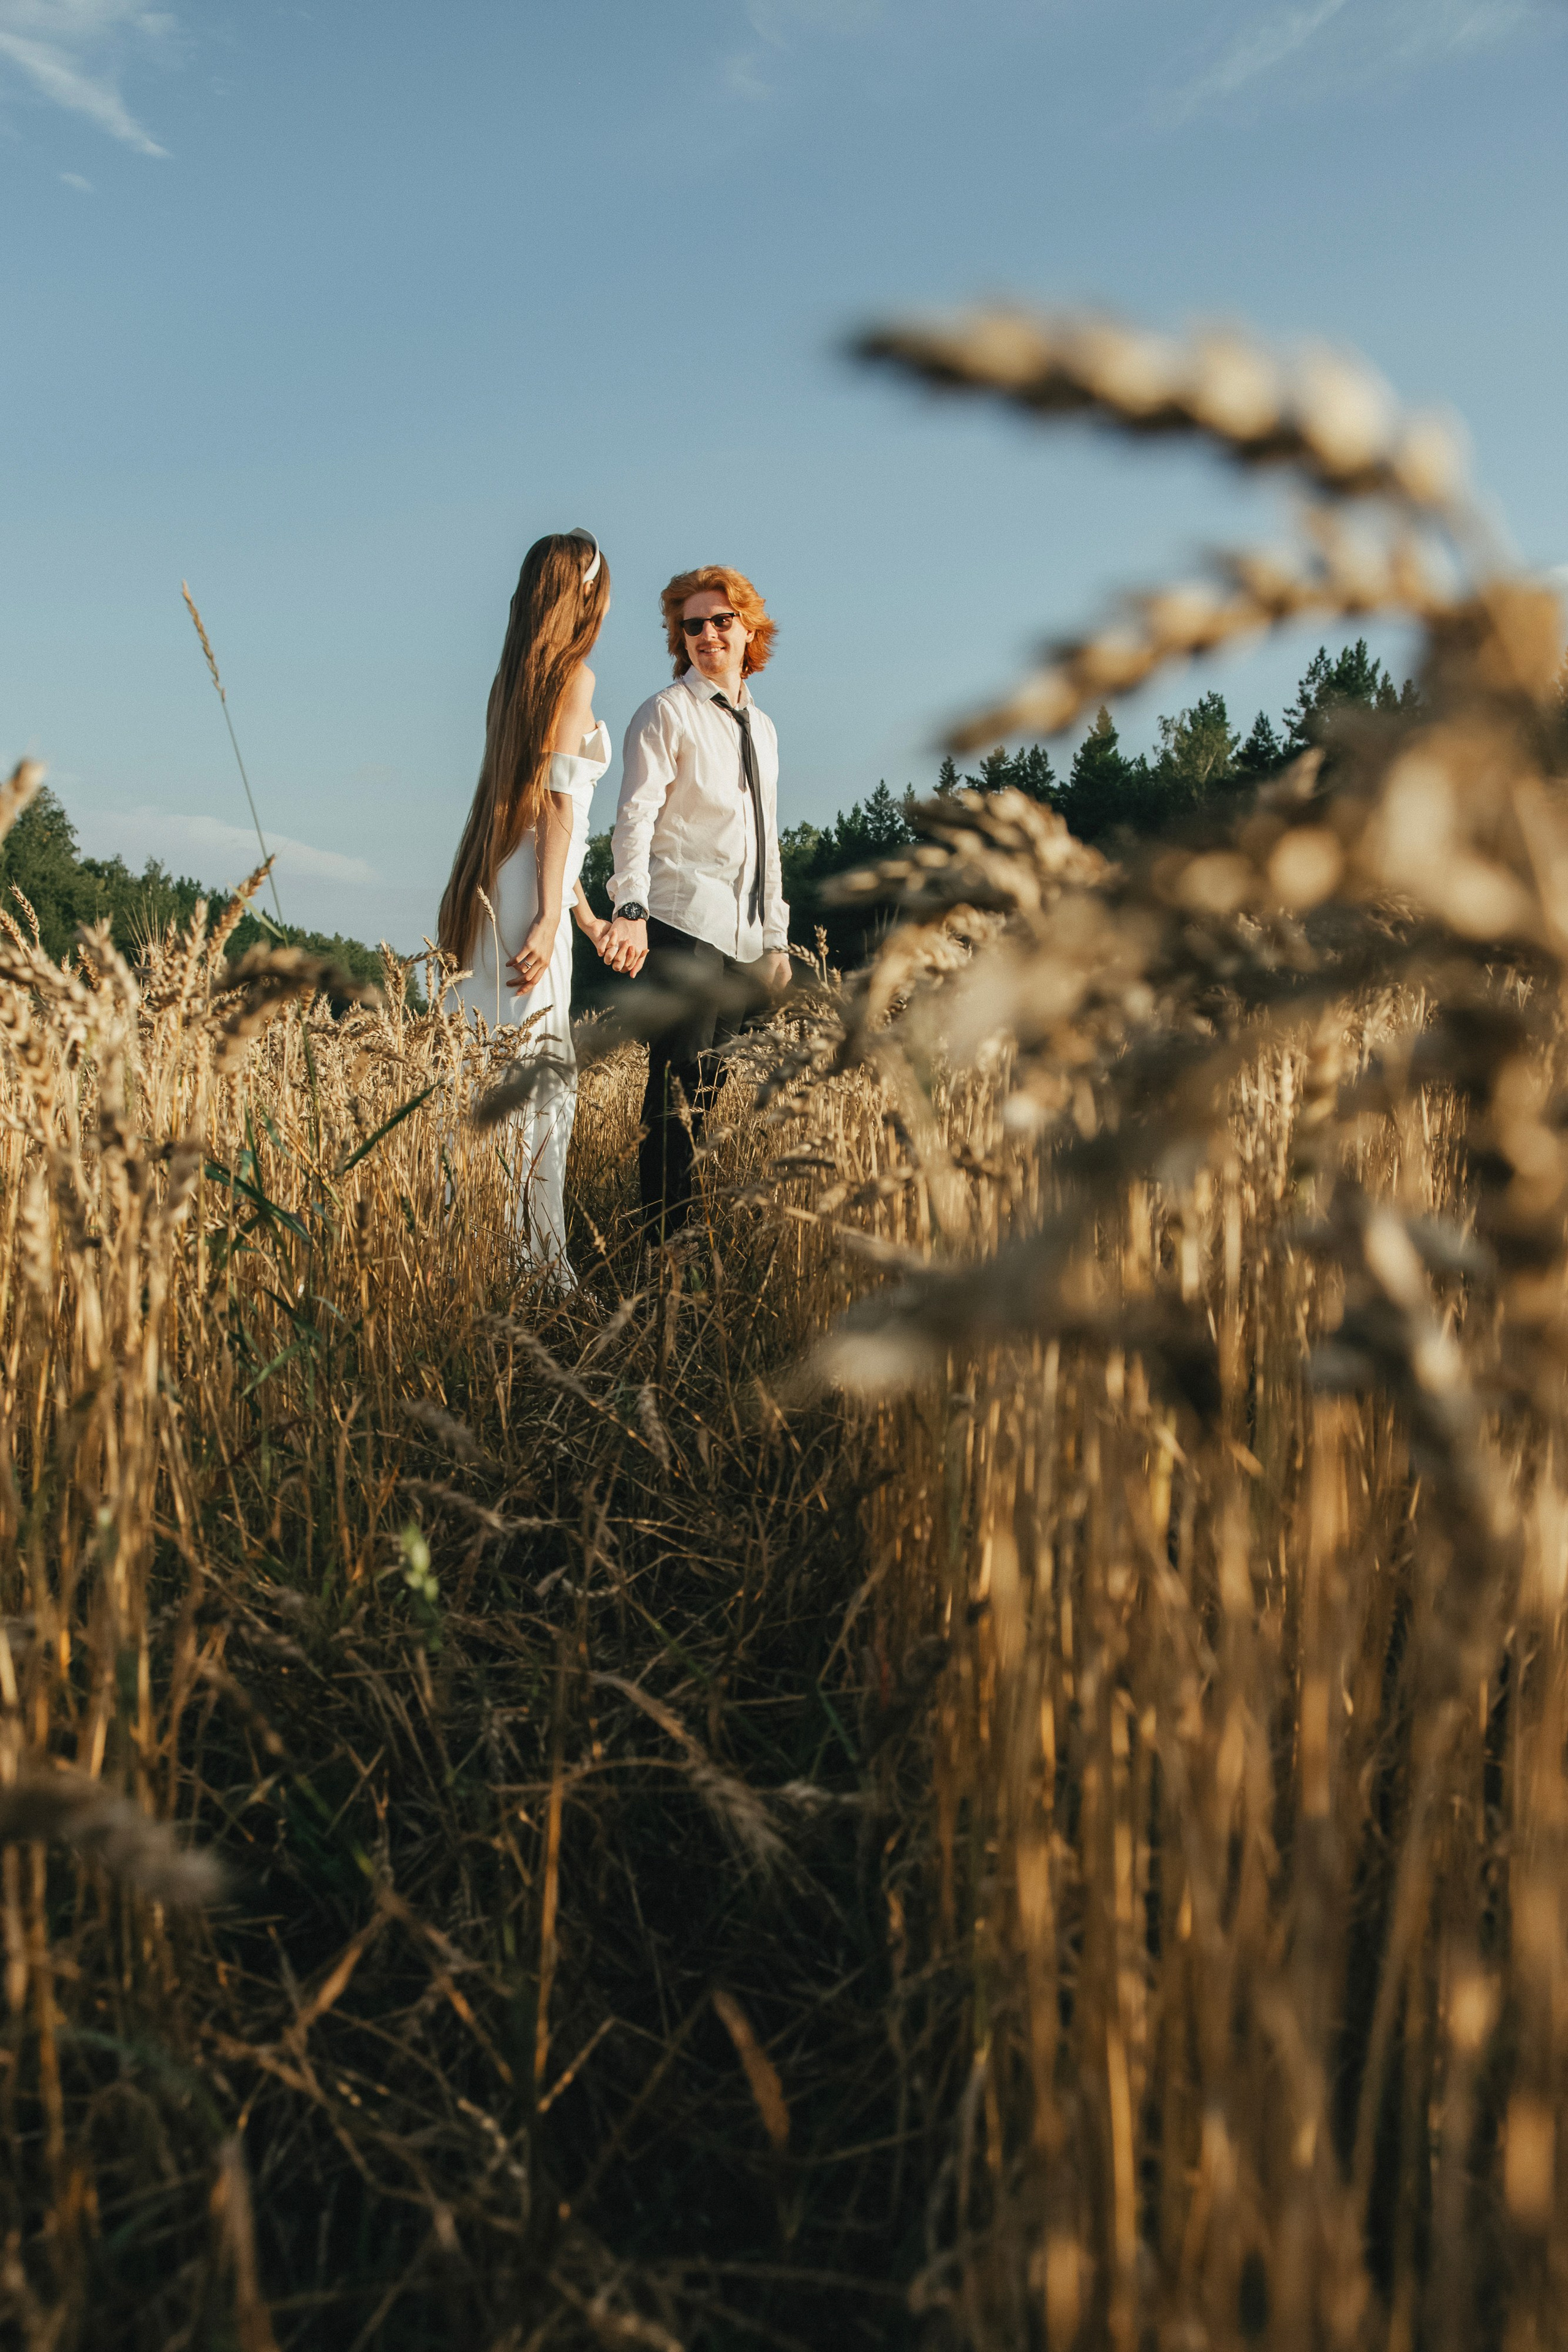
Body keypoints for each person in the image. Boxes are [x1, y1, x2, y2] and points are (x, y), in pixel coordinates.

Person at [439, 529, 613, 1284]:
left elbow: (530, 821)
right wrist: (549, 917)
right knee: (534, 1070)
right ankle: (531, 1271)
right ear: (583, 593)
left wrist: (576, 912)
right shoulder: (575, 678)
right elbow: (557, 809)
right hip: (527, 896)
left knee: (495, 1066)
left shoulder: (512, 683)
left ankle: (481, 1252)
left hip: (499, 883)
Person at [601, 566, 791, 1237]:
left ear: (748, 630)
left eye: (720, 621)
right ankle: (664, 1246)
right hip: (682, 921)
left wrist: (775, 938)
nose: (706, 634)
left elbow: (767, 837)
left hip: (744, 936)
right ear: (678, 638)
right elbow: (635, 818)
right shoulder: (665, 713)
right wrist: (630, 908)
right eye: (692, 625)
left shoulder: (763, 729)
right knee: (674, 1089)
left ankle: (692, 1231)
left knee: (712, 1090)